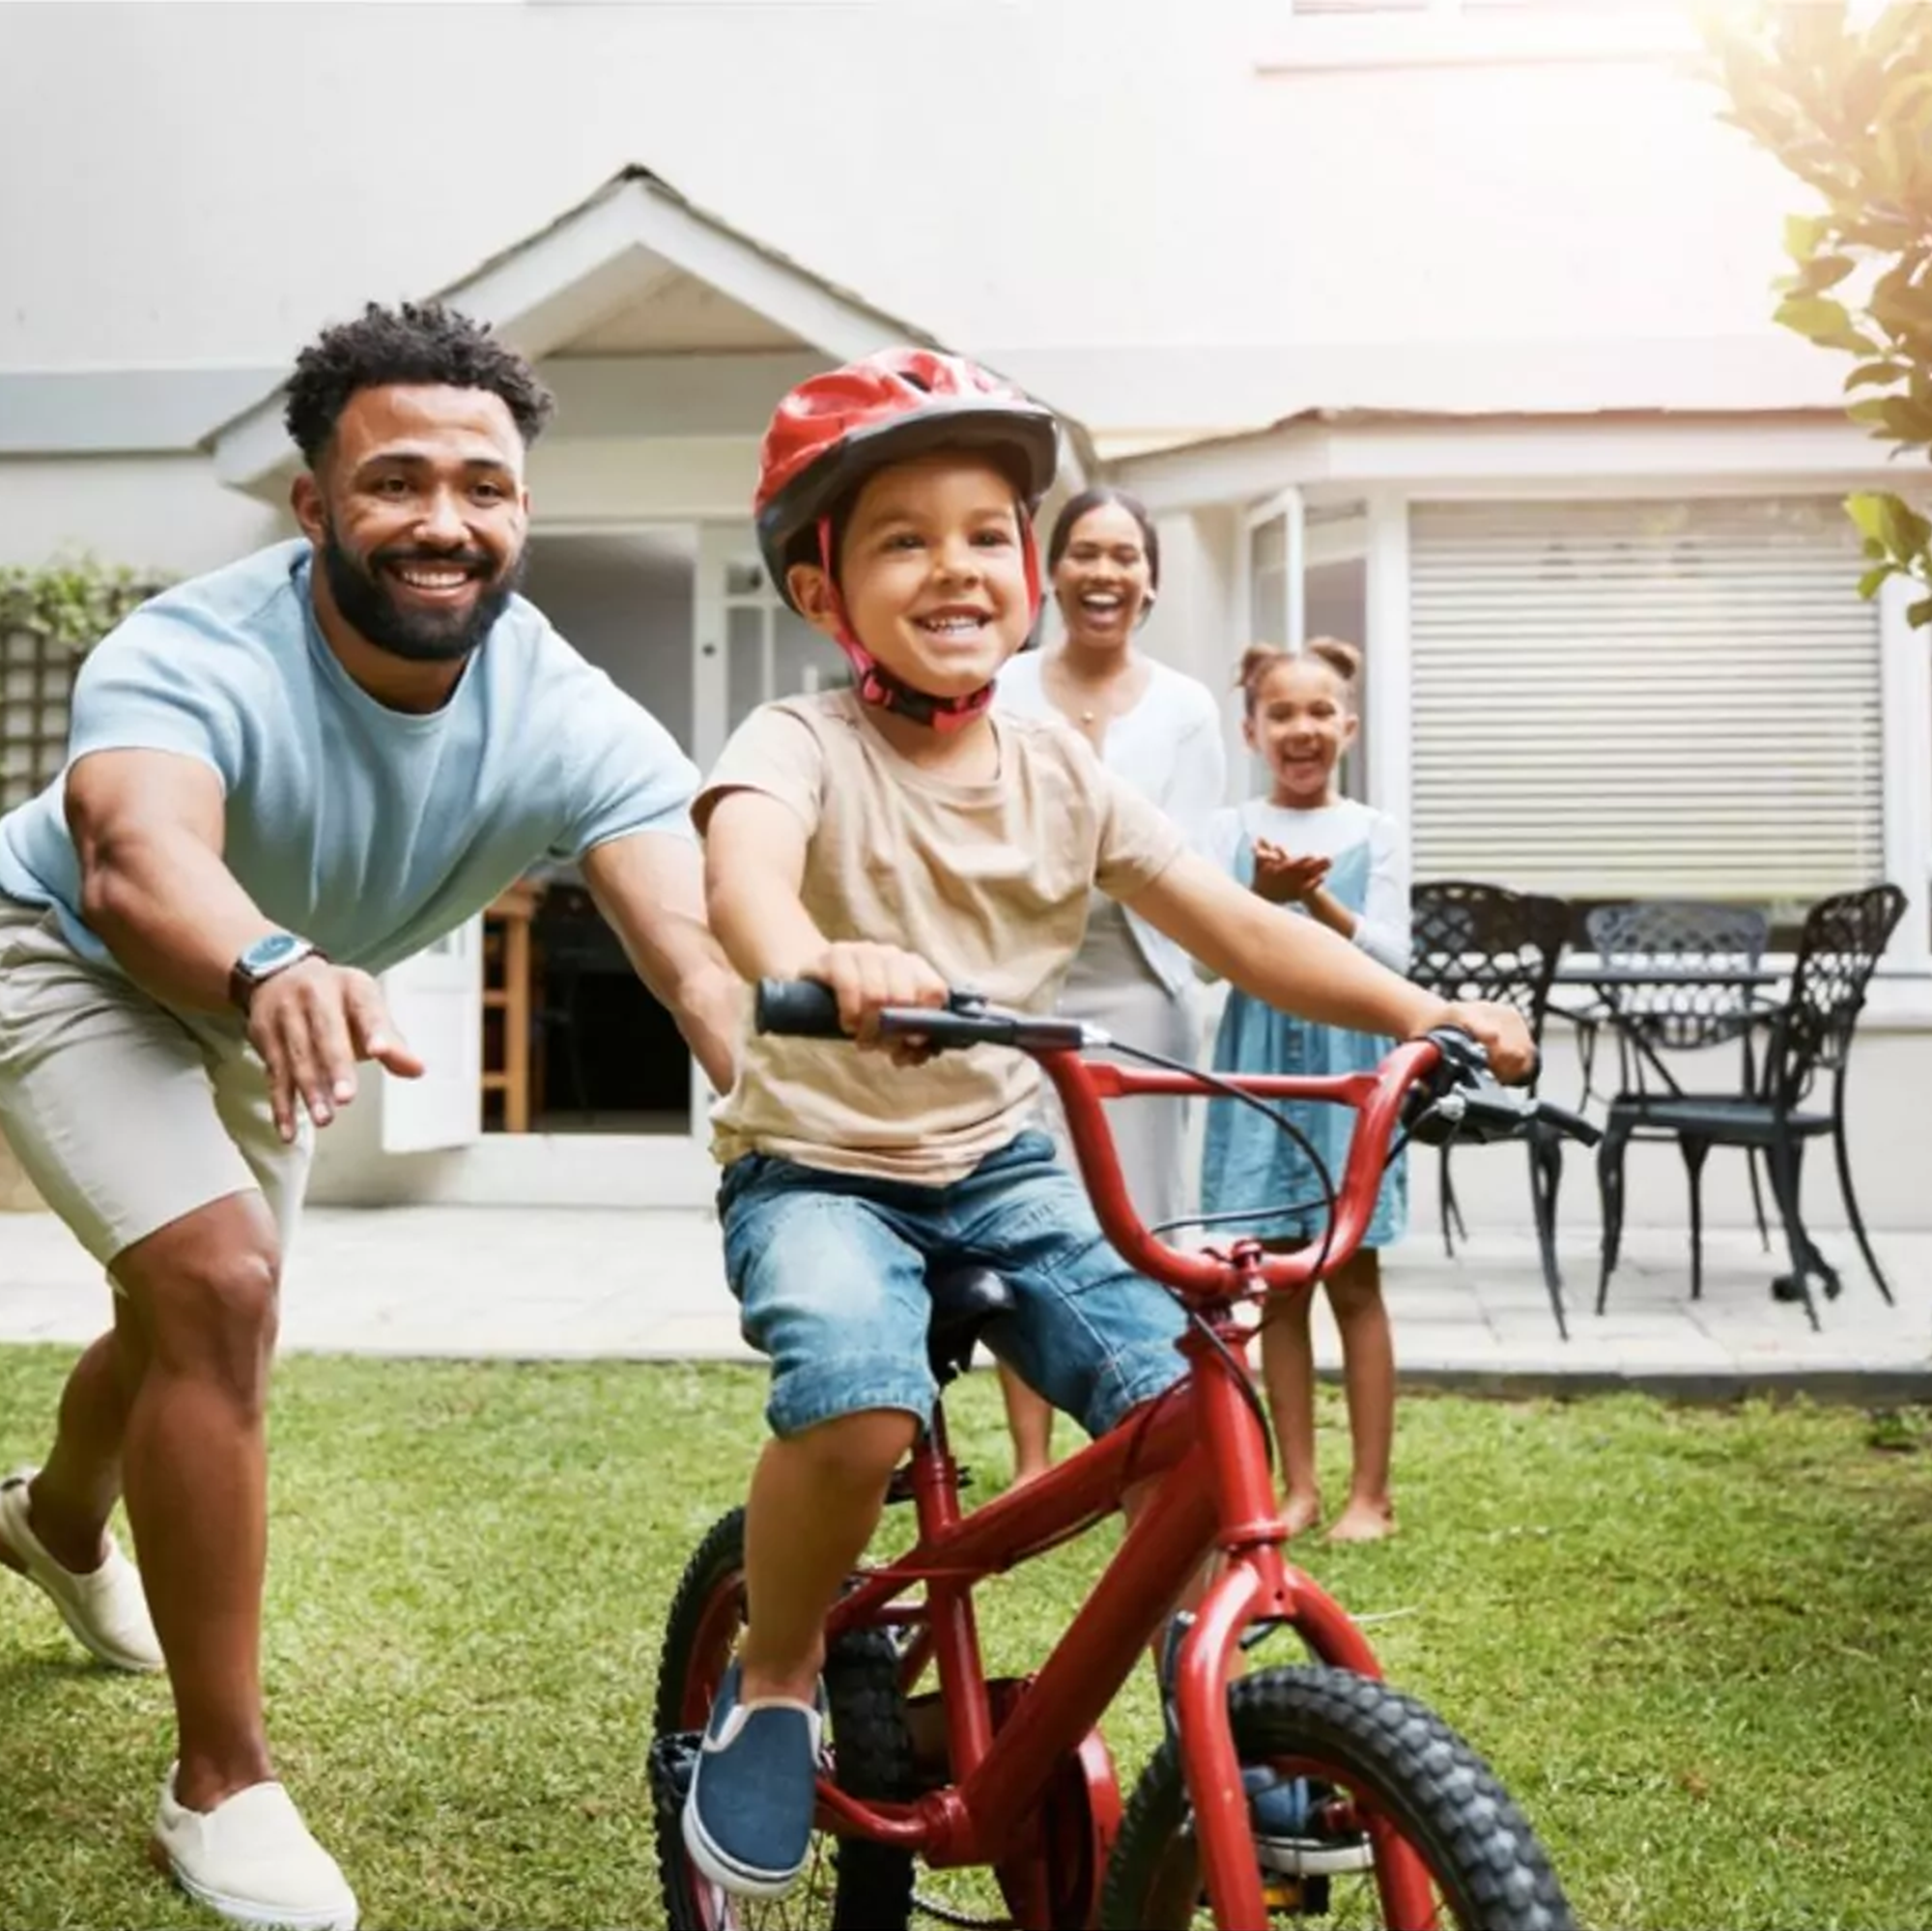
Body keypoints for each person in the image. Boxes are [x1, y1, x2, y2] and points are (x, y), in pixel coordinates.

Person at [678, 347, 1531, 1902]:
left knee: (1186, 1408)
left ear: (1027, 563)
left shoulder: (1059, 770)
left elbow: (1235, 927)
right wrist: (813, 961)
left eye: (988, 529)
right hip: (822, 1165)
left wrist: (1421, 1011)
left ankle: (1241, 1732)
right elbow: (741, 875)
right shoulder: (797, 743)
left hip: (1002, 1164)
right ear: (821, 588)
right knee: (860, 1394)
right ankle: (784, 1669)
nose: (957, 564)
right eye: (902, 536)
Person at [0, 300, 741, 1931]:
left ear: (522, 511)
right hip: (67, 951)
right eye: (395, 481)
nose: (444, 522)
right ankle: (221, 1777)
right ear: (314, 505)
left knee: (195, 1306)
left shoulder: (565, 707)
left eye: (484, 486)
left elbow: (688, 938)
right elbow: (135, 857)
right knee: (218, 1288)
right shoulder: (188, 649)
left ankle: (52, 1520)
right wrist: (272, 954)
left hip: (274, 987)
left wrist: (758, 1053)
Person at [992, 488, 1223, 1485]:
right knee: (1022, 1209)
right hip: (1020, 990)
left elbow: (1194, 857)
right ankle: (1036, 1458)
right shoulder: (999, 688)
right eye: (1084, 553)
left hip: (1142, 983)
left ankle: (1151, 1435)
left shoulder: (1184, 707)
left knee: (1147, 1222)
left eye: (1124, 555)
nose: (1103, 573)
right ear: (1052, 573)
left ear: (1150, 579)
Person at [1202, 639, 1410, 1544]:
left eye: (1320, 711)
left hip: (1347, 1072)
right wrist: (1259, 892)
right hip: (1259, 1070)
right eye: (1281, 713)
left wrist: (1314, 901)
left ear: (1348, 727)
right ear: (1253, 730)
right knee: (1274, 1287)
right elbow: (1208, 951)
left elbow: (1398, 960)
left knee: (1352, 1279)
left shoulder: (1376, 831)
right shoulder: (1228, 828)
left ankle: (1373, 1492)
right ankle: (1299, 1487)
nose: (1303, 728)